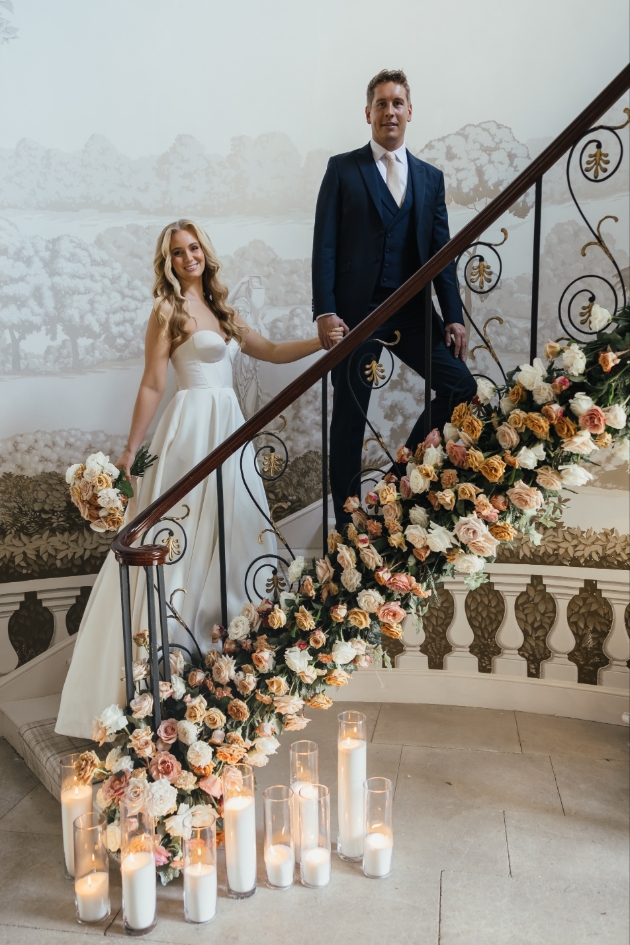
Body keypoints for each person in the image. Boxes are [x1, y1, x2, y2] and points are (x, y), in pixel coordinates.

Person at [56, 219, 343, 739]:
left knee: (232, 533)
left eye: (193, 248)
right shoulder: (168, 310)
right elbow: (152, 382)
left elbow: (271, 351)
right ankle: (160, 675)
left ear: (205, 254)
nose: (188, 257)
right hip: (191, 431)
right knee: (181, 540)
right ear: (167, 262)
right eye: (177, 252)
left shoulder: (223, 311)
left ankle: (221, 660)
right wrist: (129, 450)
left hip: (229, 430)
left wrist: (321, 343)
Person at [312, 68, 477, 529]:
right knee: (349, 418)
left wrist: (454, 317)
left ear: (409, 112)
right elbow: (324, 244)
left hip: (412, 312)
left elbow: (442, 256)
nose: (390, 111)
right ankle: (346, 529)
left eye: (397, 103)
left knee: (461, 387)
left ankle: (396, 481)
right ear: (368, 113)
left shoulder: (430, 179)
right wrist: (325, 311)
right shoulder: (343, 169)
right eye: (381, 103)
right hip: (355, 316)